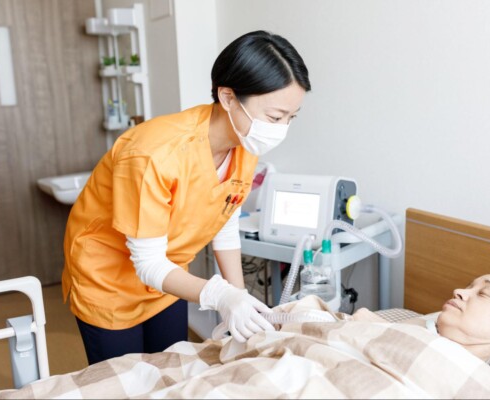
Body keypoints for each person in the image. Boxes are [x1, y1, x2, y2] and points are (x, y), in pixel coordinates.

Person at [62, 30, 311, 365]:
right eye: (275, 117)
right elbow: (147, 263)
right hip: (109, 280)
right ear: (228, 97)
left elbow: (225, 218)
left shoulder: (245, 144)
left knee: (172, 369)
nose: (281, 129)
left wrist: (239, 298)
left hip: (168, 278)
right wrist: (220, 296)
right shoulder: (153, 153)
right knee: (127, 380)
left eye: (291, 118)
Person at [354, 270, 490, 376]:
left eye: (484, 293)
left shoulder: (475, 386)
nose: (459, 291)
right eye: (469, 287)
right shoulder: (408, 335)